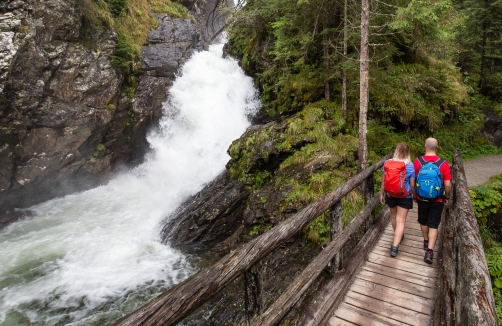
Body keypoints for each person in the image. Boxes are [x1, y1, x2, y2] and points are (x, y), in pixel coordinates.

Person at [413, 138, 451, 264]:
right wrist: (446, 197)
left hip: (421, 197)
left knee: (423, 221)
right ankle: (429, 252)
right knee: (433, 224)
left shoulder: (418, 162)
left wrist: (415, 195)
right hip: (437, 198)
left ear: (425, 146)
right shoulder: (443, 163)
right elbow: (447, 184)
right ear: (437, 147)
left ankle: (425, 240)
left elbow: (413, 181)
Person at [380, 143, 416, 257]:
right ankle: (394, 247)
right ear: (408, 152)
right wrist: (414, 195)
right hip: (405, 196)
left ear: (396, 150)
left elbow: (384, 179)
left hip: (390, 194)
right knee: (401, 220)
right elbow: (412, 184)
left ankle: (398, 235)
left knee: (394, 217)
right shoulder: (410, 166)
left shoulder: (387, 163)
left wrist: (382, 193)